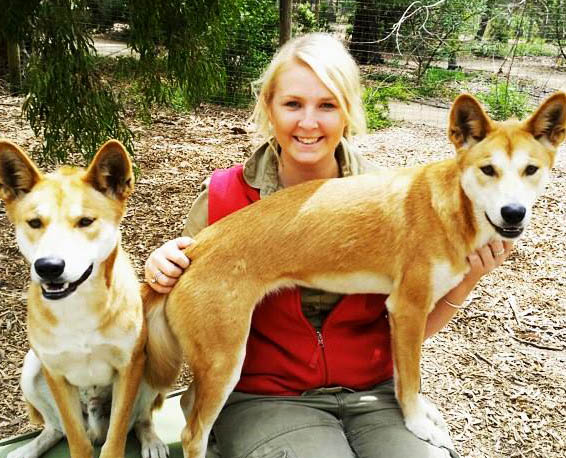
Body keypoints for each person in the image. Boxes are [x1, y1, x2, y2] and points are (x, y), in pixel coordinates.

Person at [145, 33, 512, 458]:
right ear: (268, 106)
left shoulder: (394, 197)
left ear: (348, 111)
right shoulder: (223, 196)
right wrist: (161, 266)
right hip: (268, 397)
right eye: (293, 104)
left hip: (371, 394)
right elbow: (189, 302)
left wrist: (466, 281)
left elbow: (409, 320)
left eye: (327, 105)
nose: (308, 123)